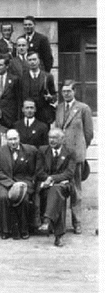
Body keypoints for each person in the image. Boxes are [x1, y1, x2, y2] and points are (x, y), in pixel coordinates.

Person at [54, 79, 93, 235]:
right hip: (61, 154)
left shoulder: (83, 108)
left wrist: (81, 149)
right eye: (63, 91)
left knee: (76, 189)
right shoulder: (59, 108)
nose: (66, 94)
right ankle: (59, 223)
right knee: (61, 187)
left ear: (74, 91)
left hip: (76, 155)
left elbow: (89, 133)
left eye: (69, 91)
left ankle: (77, 222)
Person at [0, 129, 37, 240]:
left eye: (15, 139)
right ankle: (5, 230)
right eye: (10, 139)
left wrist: (25, 184)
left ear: (19, 138)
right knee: (3, 197)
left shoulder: (30, 150)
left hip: (23, 183)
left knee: (24, 199)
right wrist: (11, 184)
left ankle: (24, 229)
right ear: (6, 140)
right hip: (5, 182)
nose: (13, 142)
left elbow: (33, 171)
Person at [36, 128, 76, 247]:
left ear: (62, 139)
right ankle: (59, 236)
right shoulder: (43, 151)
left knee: (57, 190)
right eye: (50, 137)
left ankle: (47, 220)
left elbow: (69, 173)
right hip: (46, 185)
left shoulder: (70, 152)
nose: (51, 140)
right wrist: (48, 180)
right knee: (57, 195)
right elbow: (39, 172)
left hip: (64, 185)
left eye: (55, 138)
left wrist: (52, 178)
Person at [21, 51, 57, 125]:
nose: (32, 62)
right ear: (27, 62)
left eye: (34, 59)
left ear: (39, 61)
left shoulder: (47, 77)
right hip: (28, 113)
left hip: (43, 114)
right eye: (30, 60)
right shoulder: (22, 78)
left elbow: (54, 96)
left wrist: (50, 97)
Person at [0, 56, 21, 128]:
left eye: (0, 65)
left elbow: (18, 99)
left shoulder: (14, 79)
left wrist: (18, 117)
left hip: (9, 116)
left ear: (7, 66)